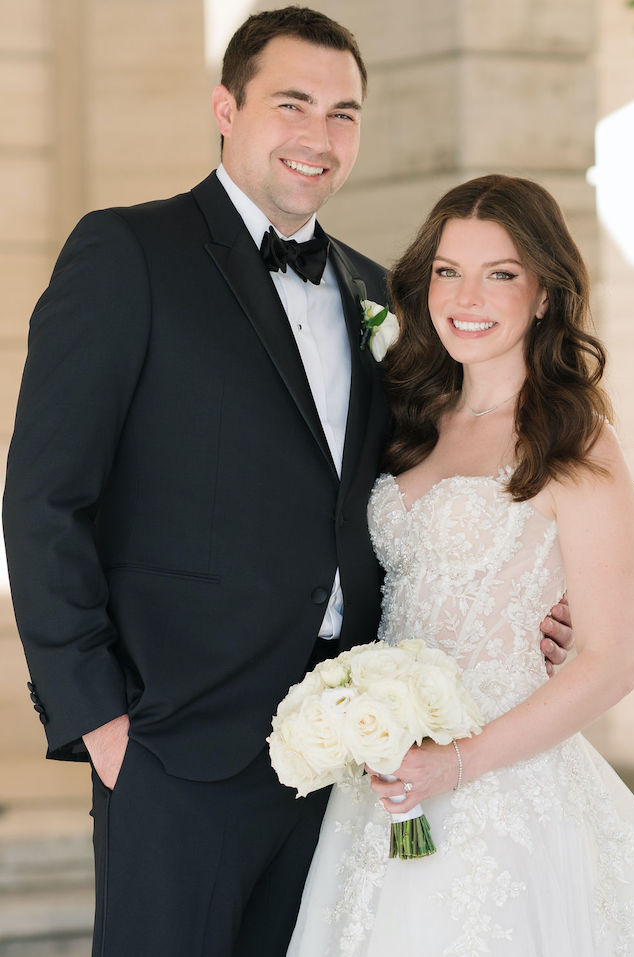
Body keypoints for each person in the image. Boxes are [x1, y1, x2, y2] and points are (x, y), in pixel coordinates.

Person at [2, 9, 571, 956]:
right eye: (293, 103)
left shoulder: (377, 290)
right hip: (175, 746)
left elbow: (423, 490)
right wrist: (96, 715)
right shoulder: (127, 254)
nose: (320, 135)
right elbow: (43, 496)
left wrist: (529, 603)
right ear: (226, 108)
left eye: (344, 113)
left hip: (346, 757)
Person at [287, 174, 634, 957]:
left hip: (502, 782)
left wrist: (454, 765)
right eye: (449, 270)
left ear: (545, 294)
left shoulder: (574, 440)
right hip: (384, 778)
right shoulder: (403, 417)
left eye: (501, 274)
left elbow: (607, 662)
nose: (468, 295)